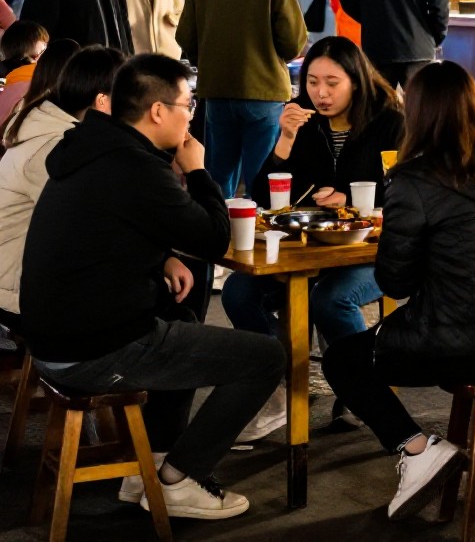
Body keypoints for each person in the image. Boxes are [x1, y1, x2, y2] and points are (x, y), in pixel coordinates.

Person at [19, 54, 284, 520]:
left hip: (50, 338)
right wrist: (199, 170)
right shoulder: (134, 166)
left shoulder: (90, 146)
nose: (191, 115)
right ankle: (181, 480)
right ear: (157, 112)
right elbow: (212, 237)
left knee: (181, 318)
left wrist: (163, 256)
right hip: (92, 349)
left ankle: (151, 467)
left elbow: (110, 223)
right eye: (188, 104)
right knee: (266, 359)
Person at [320, 61, 475, 521]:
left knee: (343, 359)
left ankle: (417, 450)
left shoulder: (414, 177)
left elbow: (395, 282)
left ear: (417, 113)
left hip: (465, 346)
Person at [221, 36, 404, 438]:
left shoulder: (390, 121)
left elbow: (406, 189)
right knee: (238, 291)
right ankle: (276, 386)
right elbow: (267, 199)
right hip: (311, 248)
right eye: (313, 82)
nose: (320, 93)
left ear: (356, 80)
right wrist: (283, 140)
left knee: (331, 299)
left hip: (375, 250)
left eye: (332, 83)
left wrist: (353, 203)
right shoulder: (304, 122)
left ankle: (362, 391)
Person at [178, 0, 307, 200]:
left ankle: (219, 238)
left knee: (218, 178)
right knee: (261, 180)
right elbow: (293, 42)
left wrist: (209, 60)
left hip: (217, 94)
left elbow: (185, 37)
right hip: (264, 95)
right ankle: (259, 241)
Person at [0, 43, 113, 321]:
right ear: (101, 99)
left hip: (15, 277)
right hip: (15, 292)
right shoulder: (55, 144)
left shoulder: (38, 120)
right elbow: (85, 225)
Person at [0, 20, 49, 121]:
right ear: (28, 43)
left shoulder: (3, 67)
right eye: (43, 42)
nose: (45, 46)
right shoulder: (34, 72)